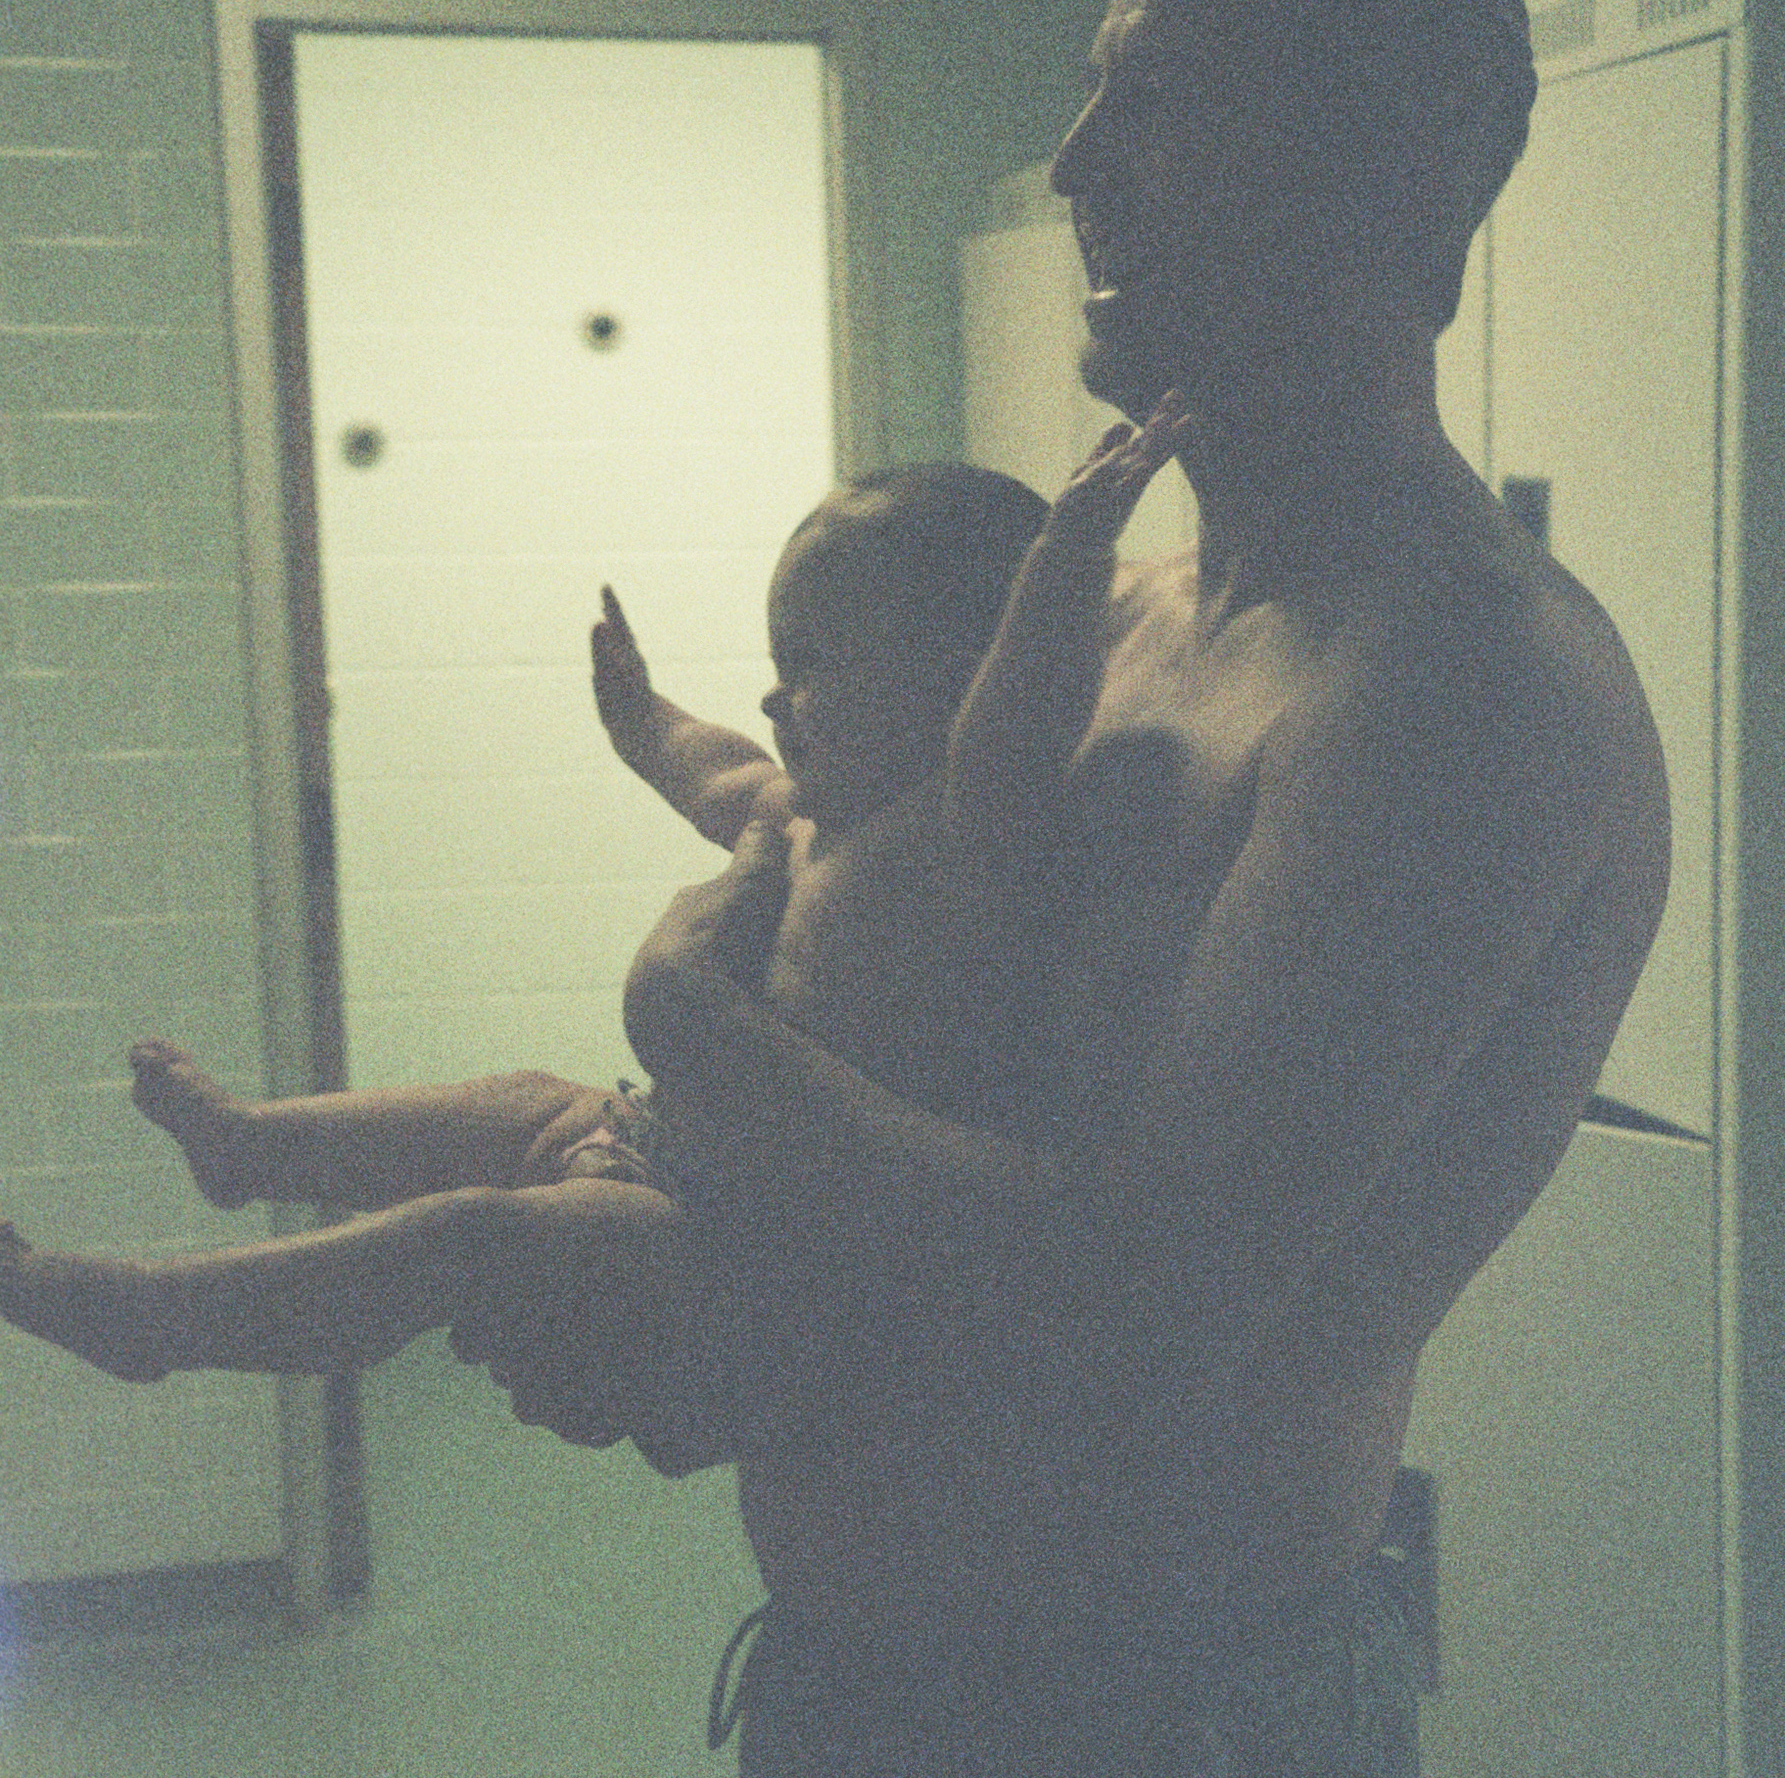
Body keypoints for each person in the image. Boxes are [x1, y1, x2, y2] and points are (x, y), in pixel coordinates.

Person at [450, 0, 1671, 1776]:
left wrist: (707, 1046)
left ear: (1377, 175)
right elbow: (920, 1036)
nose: (1081, 157)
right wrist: (680, 1291)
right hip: (868, 1685)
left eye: (1156, 99)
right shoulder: (1111, 616)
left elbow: (1140, 1308)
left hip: (1146, 1715)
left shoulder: (1460, 688)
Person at [0, 440, 1184, 1428]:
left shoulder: (966, 824)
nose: (774, 698)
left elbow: (1025, 710)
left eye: (813, 663)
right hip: (656, 1140)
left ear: (966, 672)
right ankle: (250, 1146)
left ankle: (154, 1315)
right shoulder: (804, 810)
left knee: (468, 1236)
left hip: (737, 1239)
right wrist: (642, 720)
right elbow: (714, 767)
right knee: (517, 1101)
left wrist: (1067, 557)